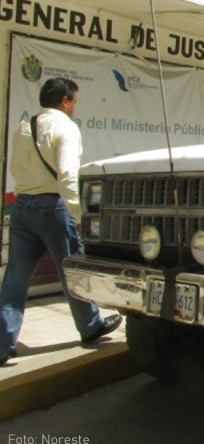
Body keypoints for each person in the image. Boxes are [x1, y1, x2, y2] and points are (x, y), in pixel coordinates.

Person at [0, 77, 121, 366]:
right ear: (65, 100)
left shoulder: (23, 126)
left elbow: (16, 167)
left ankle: (4, 342)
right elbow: (67, 175)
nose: (74, 107)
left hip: (23, 206)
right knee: (72, 269)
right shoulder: (65, 127)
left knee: (15, 276)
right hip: (53, 207)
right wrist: (78, 215)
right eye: (74, 101)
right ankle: (91, 326)